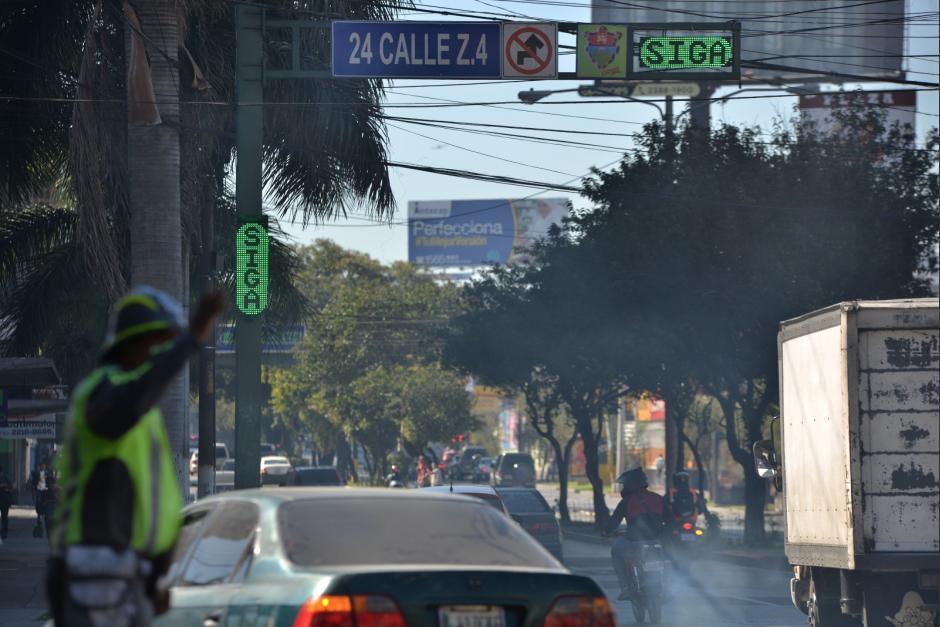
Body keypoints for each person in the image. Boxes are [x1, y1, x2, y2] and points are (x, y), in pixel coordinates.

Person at [48, 286, 225, 627]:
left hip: (126, 578)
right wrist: (189, 340)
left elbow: (150, 506)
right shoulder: (103, 394)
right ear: (133, 342)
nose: (164, 351)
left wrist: (152, 580)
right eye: (160, 340)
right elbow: (132, 399)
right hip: (94, 573)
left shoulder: (143, 413)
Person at [604, 467, 666, 600]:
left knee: (616, 550)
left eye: (624, 485)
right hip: (658, 540)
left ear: (631, 484)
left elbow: (612, 523)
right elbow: (671, 520)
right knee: (672, 558)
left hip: (634, 540)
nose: (623, 488)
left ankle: (625, 587)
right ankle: (668, 586)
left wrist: (607, 531)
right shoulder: (658, 498)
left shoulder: (627, 501)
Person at [30, 459, 55, 537]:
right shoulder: (36, 473)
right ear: (39, 466)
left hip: (46, 490)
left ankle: (43, 512)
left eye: (44, 466)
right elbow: (33, 481)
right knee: (38, 502)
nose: (43, 467)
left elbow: (51, 481)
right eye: (41, 466)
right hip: (38, 490)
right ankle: (39, 515)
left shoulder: (48, 473)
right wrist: (33, 490)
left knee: (45, 502)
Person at [0, 465, 13, 539]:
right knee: (4, 517)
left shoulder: (5, 477)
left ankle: (4, 531)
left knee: (4, 516)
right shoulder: (6, 477)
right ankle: (4, 531)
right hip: (5, 500)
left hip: (4, 500)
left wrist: (4, 486)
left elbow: (11, 487)